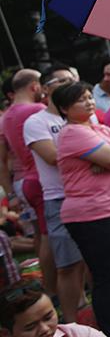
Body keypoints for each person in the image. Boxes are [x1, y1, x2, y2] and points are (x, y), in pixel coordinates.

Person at [50, 82, 110, 337]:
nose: (89, 102)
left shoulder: (98, 128)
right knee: (106, 274)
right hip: (91, 214)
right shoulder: (72, 133)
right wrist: (109, 160)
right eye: (80, 100)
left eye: (88, 97)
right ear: (64, 108)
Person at [22, 67, 84, 324]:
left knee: (88, 260)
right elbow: (52, 157)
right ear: (45, 89)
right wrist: (90, 154)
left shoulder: (79, 117)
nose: (71, 85)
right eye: (63, 81)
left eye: (73, 81)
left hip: (89, 195)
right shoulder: (36, 122)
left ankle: (85, 309)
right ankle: (69, 322)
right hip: (59, 197)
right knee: (68, 262)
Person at [0, 70, 50, 294]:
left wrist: (10, 194)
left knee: (39, 234)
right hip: (41, 180)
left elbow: (2, 161)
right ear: (34, 87)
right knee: (51, 235)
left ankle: (49, 282)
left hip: (21, 184)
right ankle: (53, 287)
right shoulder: (37, 111)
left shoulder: (5, 117)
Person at [0, 280, 110, 337]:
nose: (45, 330)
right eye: (31, 327)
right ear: (6, 334)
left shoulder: (76, 334)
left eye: (48, 317)